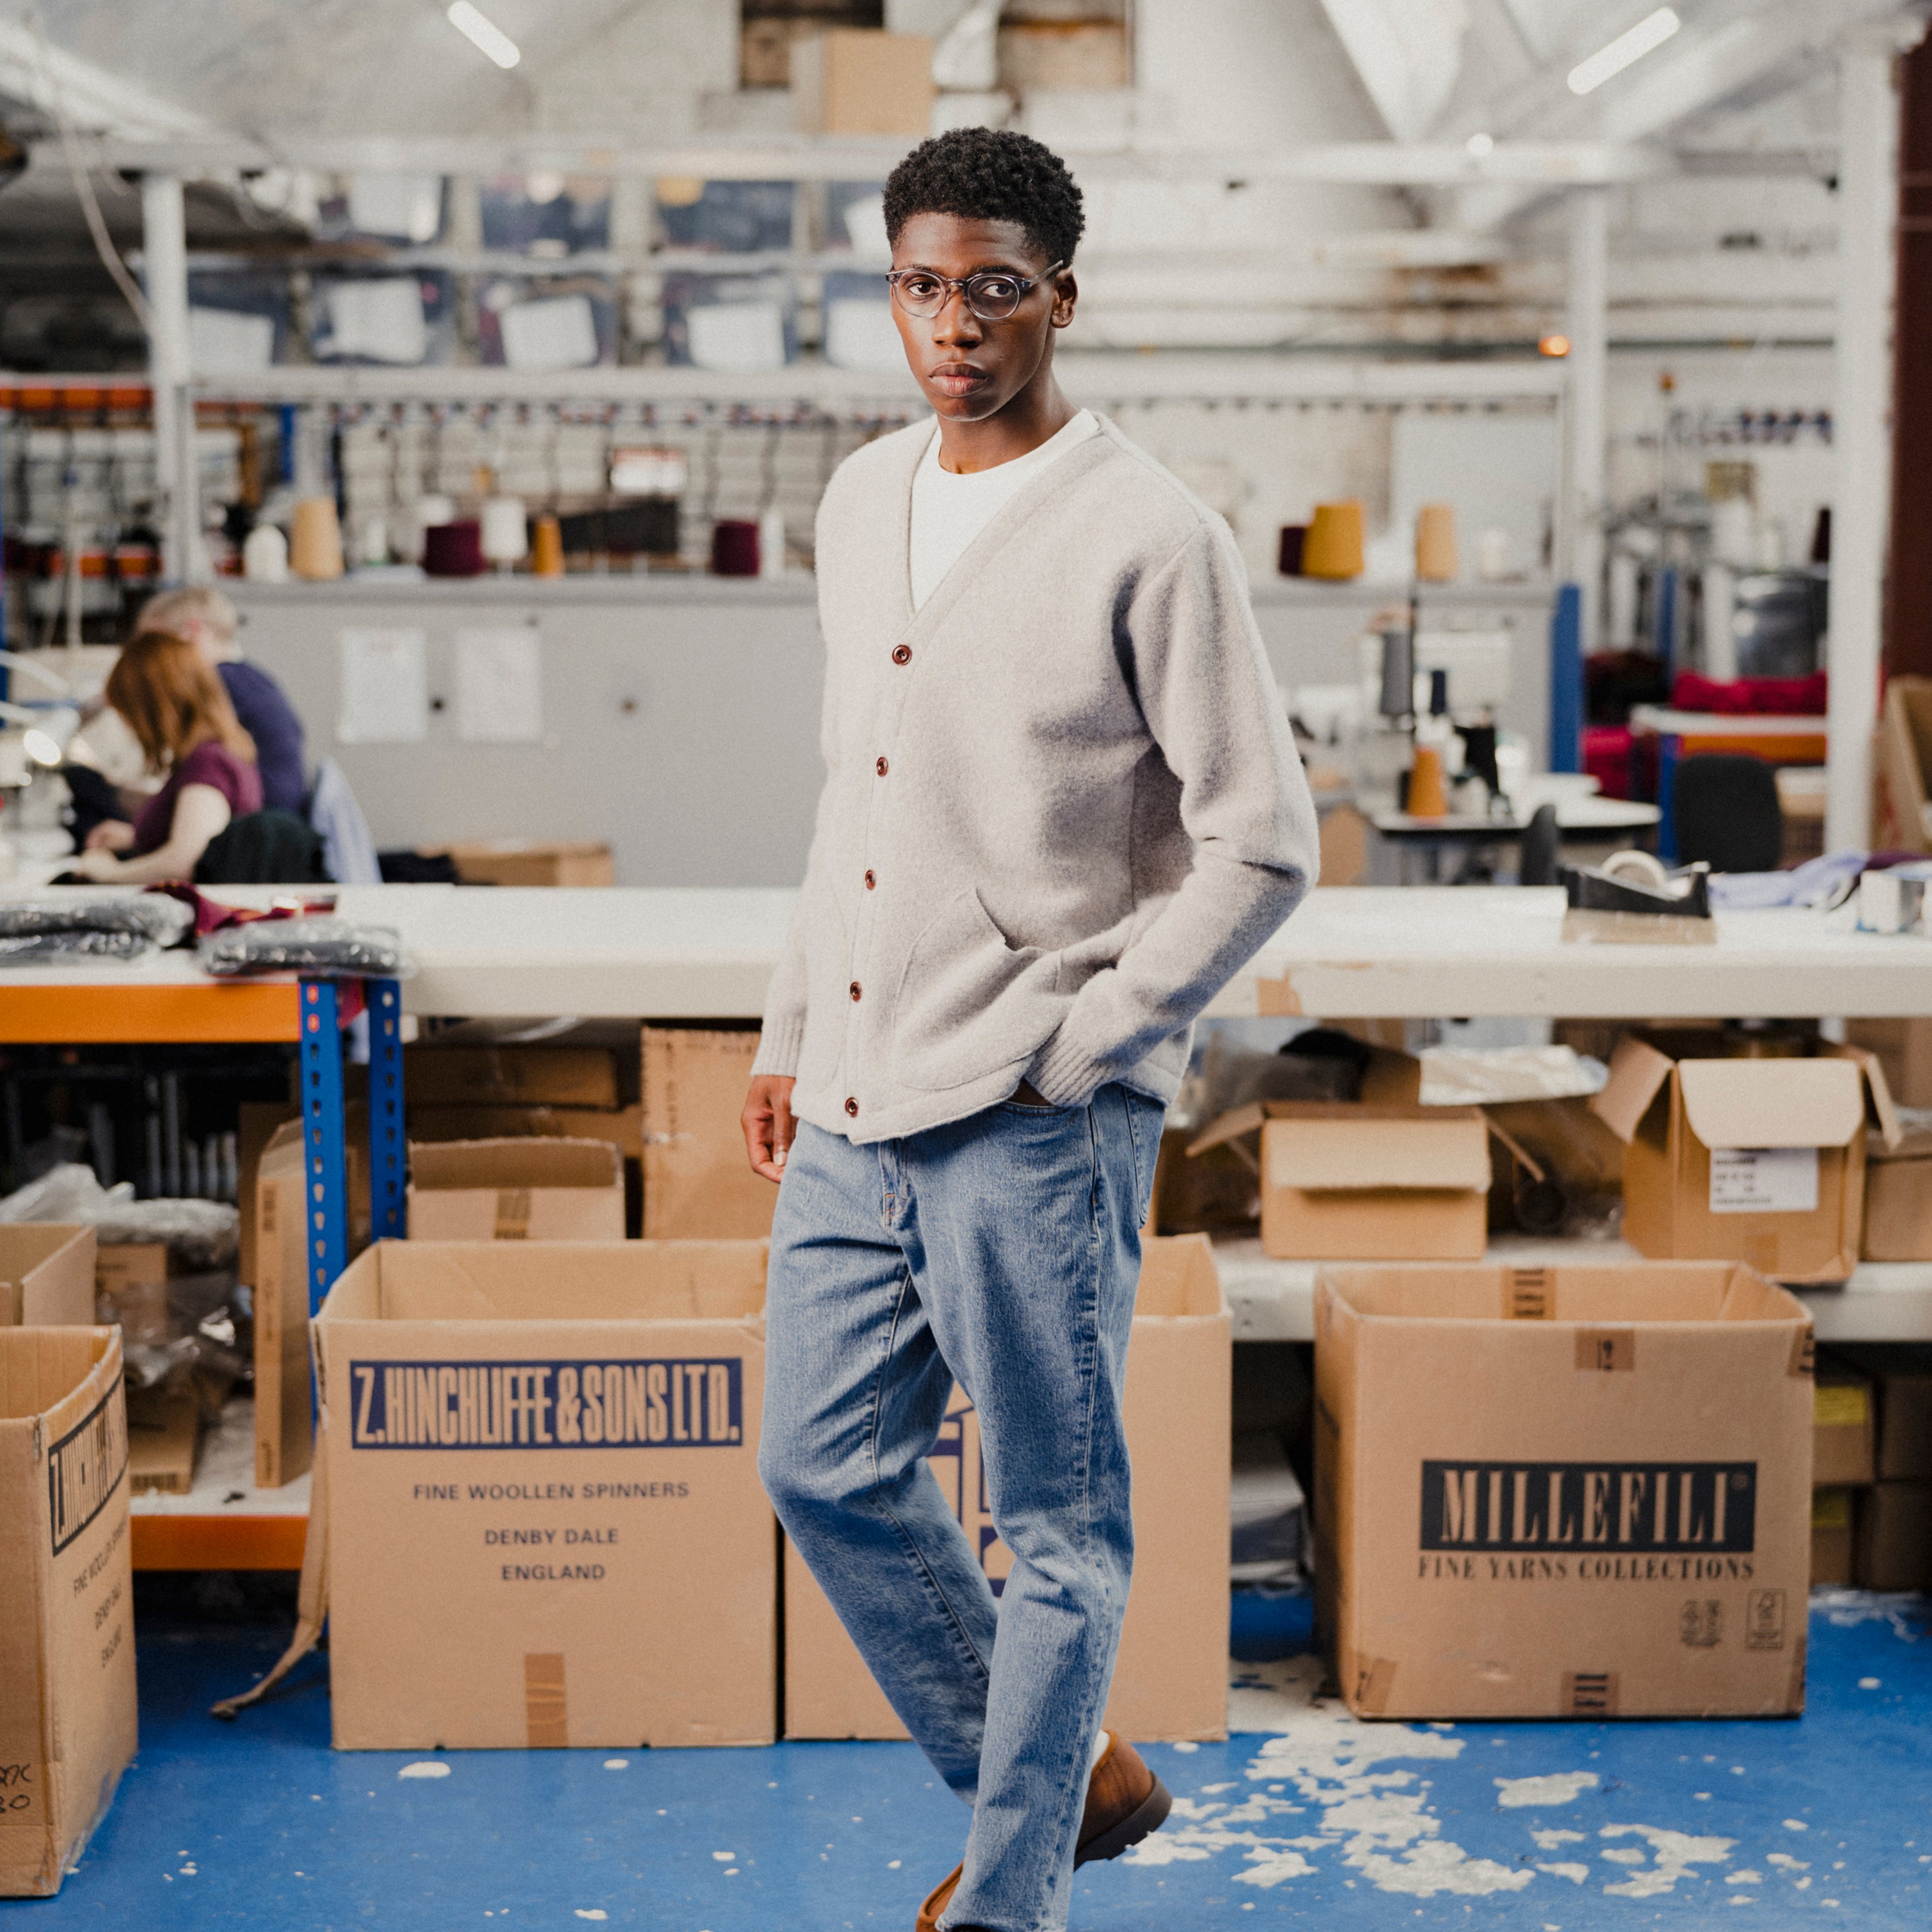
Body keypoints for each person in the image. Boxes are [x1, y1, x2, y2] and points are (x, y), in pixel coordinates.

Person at [742, 129, 1318, 1932]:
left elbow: (1262, 835)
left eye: (994, 285)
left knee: (1054, 1529)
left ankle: (1006, 1900)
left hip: (1032, 1110)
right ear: (890, 291)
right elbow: (856, 794)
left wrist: (1106, 1032)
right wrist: (785, 1024)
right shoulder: (857, 500)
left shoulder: (1149, 532)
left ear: (1056, 297)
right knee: (818, 1458)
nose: (954, 321)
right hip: (849, 1090)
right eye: (922, 283)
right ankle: (1079, 1778)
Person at [67, 630, 262, 883]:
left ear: (154, 707)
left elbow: (185, 863)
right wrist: (134, 836)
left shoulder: (208, 764)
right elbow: (198, 833)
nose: (131, 727)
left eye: (130, 712)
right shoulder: (219, 752)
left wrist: (109, 874)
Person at [135, 585, 307, 813]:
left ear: (192, 631)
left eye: (154, 647)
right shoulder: (250, 677)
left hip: (256, 824)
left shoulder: (219, 683)